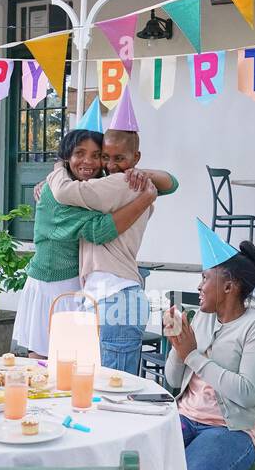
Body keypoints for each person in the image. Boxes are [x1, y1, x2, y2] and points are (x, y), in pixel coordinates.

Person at [164, 239, 255, 470]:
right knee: (138, 466)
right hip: (185, 417)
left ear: (229, 287)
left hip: (230, 430)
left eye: (205, 278)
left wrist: (193, 356)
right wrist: (177, 346)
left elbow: (248, 392)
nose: (199, 286)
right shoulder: (201, 317)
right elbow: (174, 381)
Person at [13, 129, 159, 358]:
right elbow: (99, 230)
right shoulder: (56, 194)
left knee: (75, 366)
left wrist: (140, 174)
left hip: (84, 285)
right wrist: (146, 199)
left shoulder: (96, 186)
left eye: (96, 154)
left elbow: (172, 183)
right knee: (43, 362)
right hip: (52, 285)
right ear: (66, 157)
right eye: (79, 153)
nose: (88, 161)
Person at [46, 126, 178, 374]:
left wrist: (57, 168)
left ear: (135, 158)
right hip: (105, 299)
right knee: (99, 391)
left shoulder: (122, 183)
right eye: (105, 157)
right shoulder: (113, 185)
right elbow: (169, 183)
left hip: (115, 298)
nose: (111, 165)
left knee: (112, 395)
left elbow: (64, 191)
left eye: (119, 158)